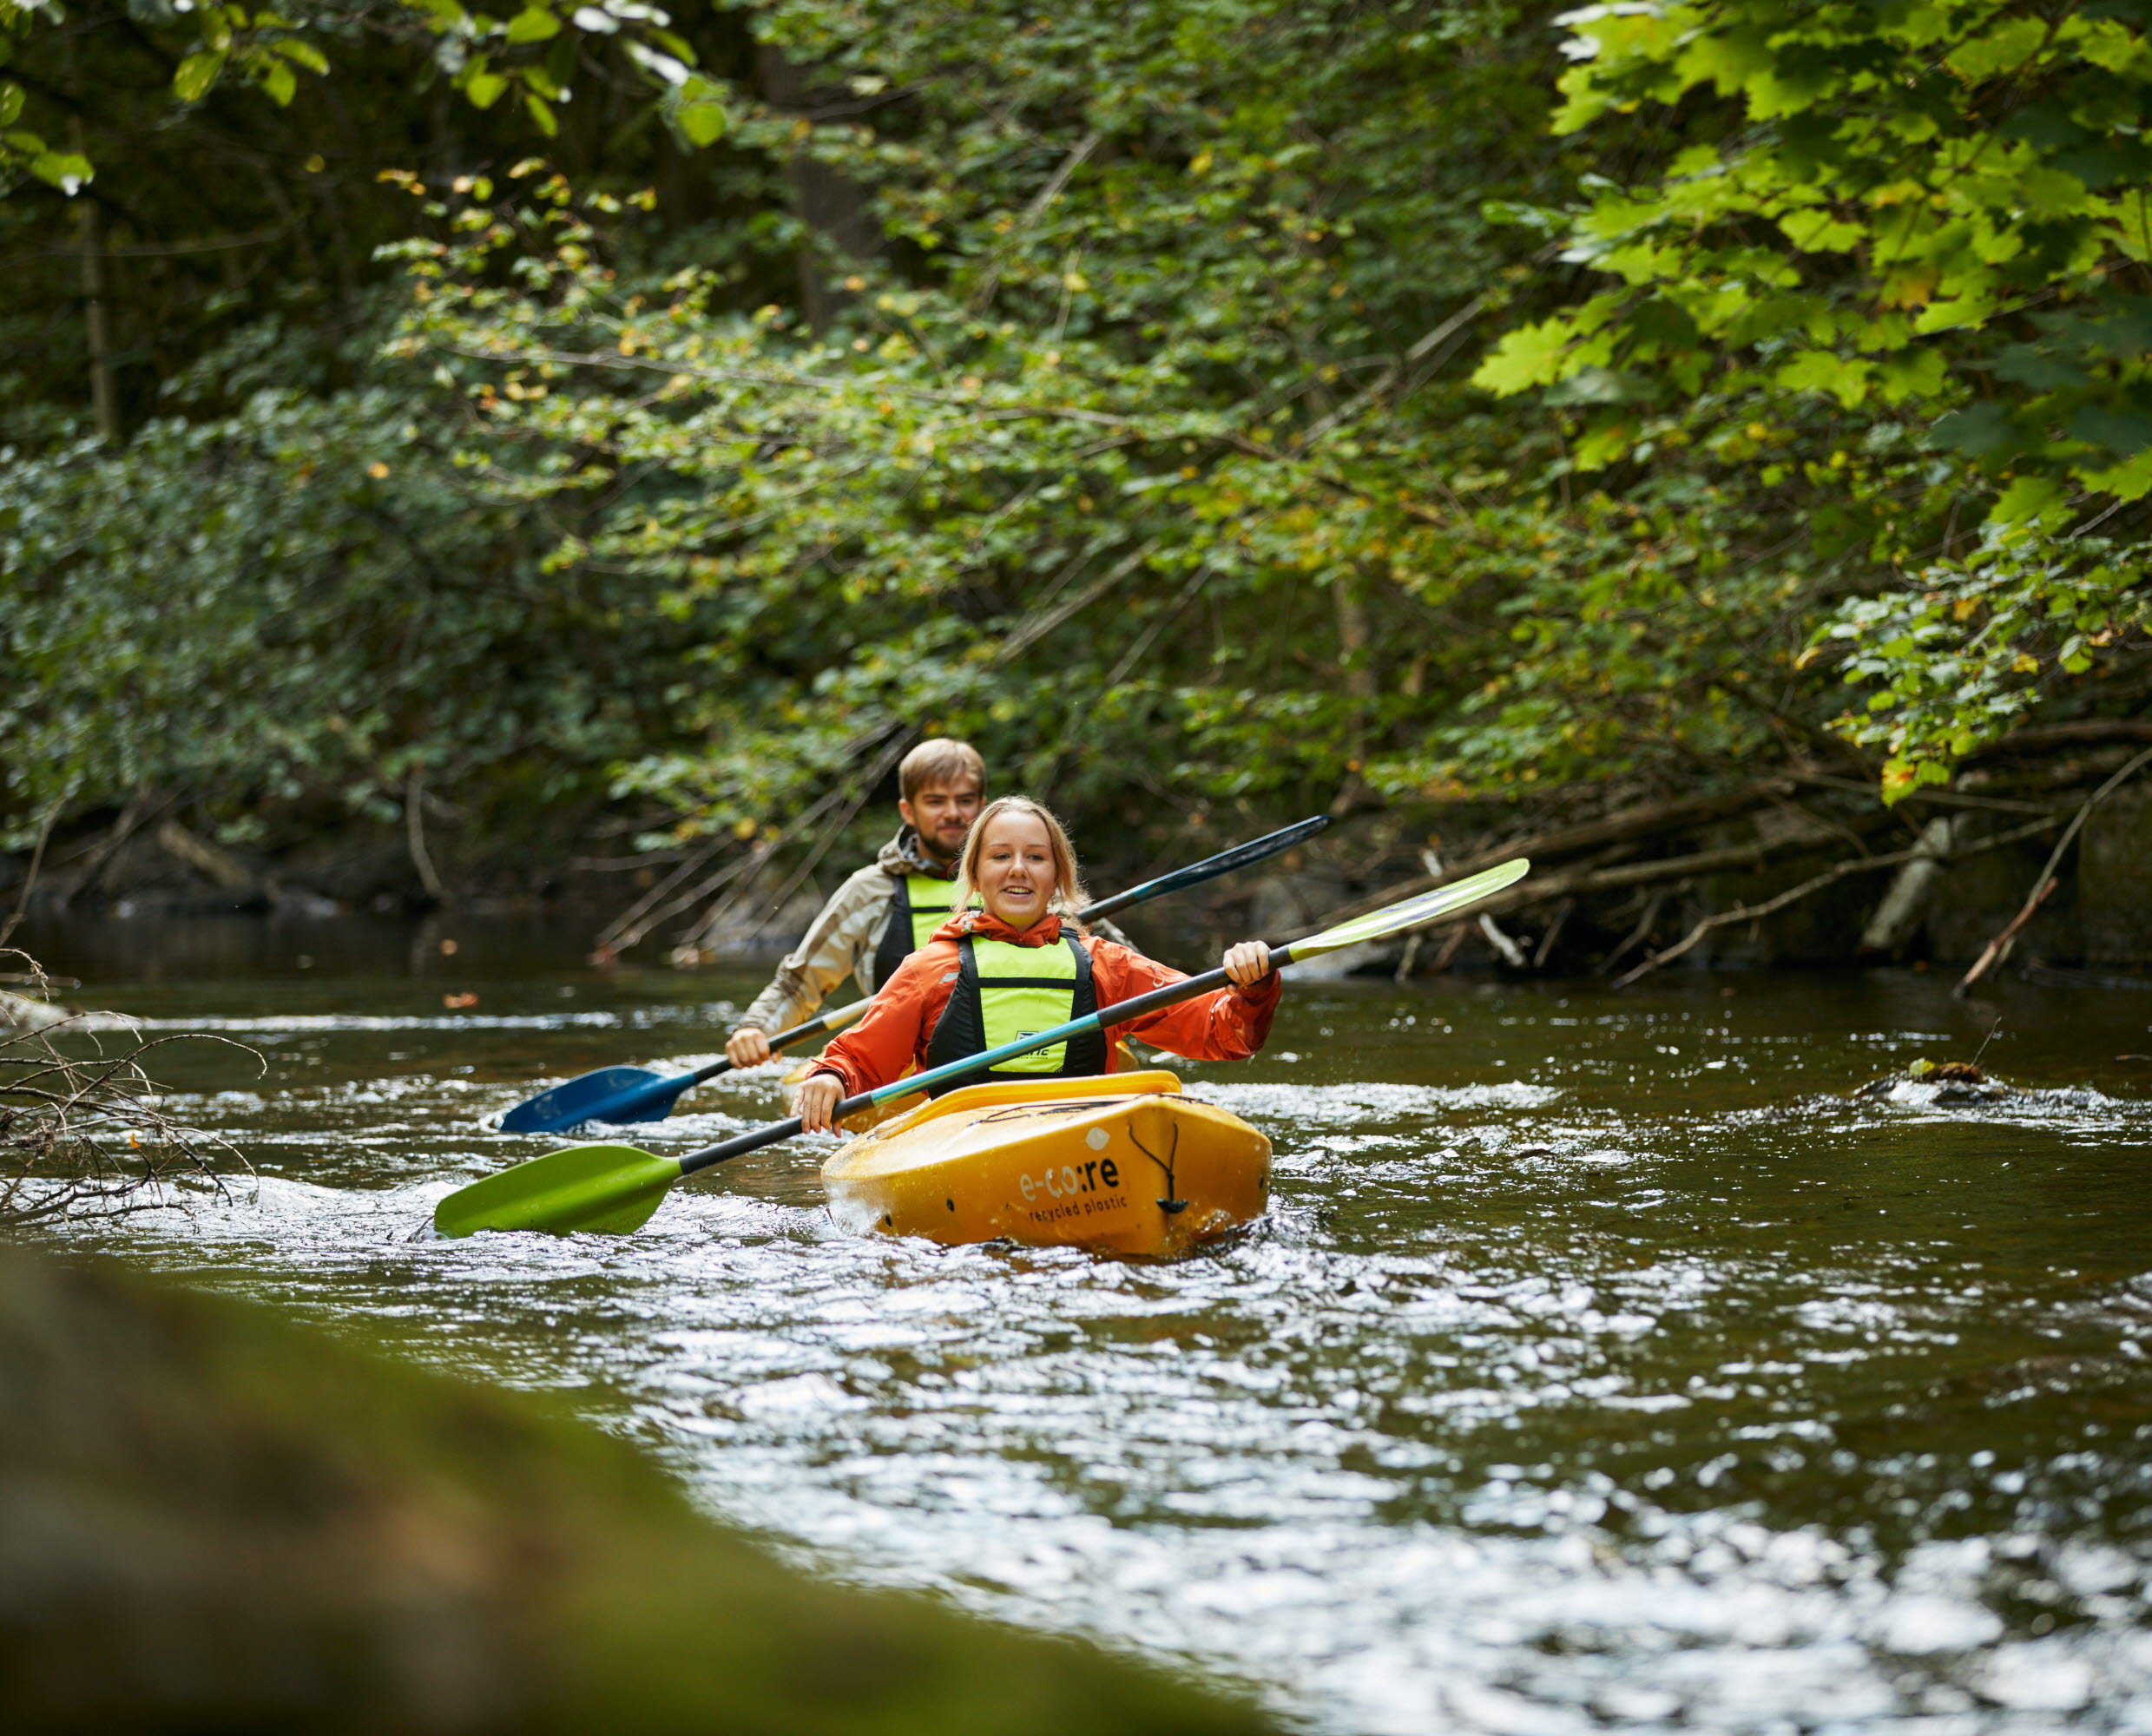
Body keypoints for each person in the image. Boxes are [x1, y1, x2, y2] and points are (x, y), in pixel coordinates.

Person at [792, 795, 1279, 1132]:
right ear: (977, 877)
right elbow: (858, 1059)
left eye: (1036, 857)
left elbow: (1223, 1034)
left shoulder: (1105, 965)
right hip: (964, 1141)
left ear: (1058, 879)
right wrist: (829, 1079)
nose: (1019, 868)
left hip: (1078, 1135)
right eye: (1001, 856)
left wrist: (1252, 987)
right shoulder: (929, 969)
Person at [725, 739, 986, 1069]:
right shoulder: (871, 890)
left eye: (964, 801)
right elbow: (800, 983)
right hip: (898, 1065)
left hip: (993, 1056)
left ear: (982, 806)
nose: (952, 813)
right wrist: (755, 1028)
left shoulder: (1016, 883)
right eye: (936, 801)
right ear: (908, 811)